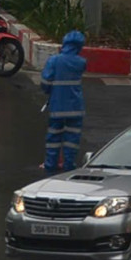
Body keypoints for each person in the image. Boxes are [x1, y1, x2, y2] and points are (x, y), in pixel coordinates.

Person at [39, 29, 89, 173]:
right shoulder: (81, 62)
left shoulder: (54, 61)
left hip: (57, 106)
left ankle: (50, 165)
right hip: (76, 107)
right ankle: (69, 165)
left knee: (54, 138)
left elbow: (45, 81)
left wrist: (49, 91)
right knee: (72, 139)